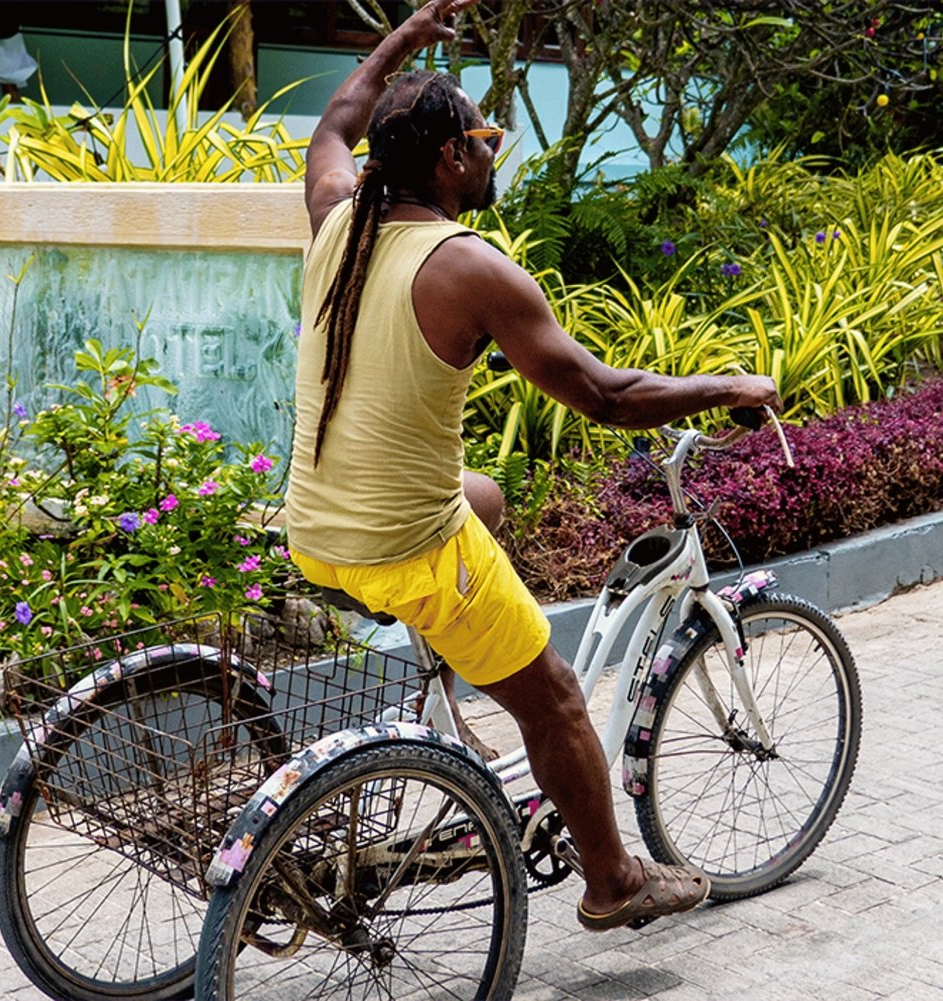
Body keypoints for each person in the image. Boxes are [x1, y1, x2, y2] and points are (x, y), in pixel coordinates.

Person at [284, 0, 783, 932]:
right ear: (447, 159)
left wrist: (401, 41)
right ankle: (613, 882)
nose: (490, 155)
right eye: (483, 140)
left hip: (317, 528)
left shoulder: (336, 216)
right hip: (403, 546)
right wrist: (727, 387)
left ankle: (458, 688)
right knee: (554, 698)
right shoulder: (467, 266)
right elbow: (603, 393)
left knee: (490, 495)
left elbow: (334, 122)